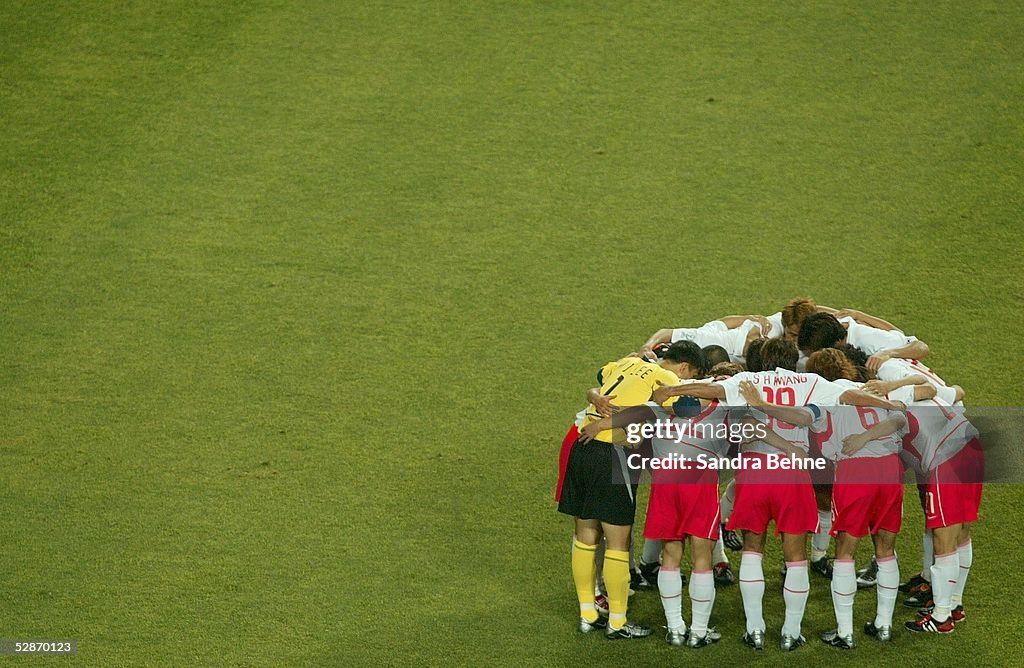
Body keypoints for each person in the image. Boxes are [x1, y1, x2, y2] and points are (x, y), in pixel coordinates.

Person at [652, 338, 905, 651]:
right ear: (793, 358)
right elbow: (849, 395)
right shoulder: (811, 382)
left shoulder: (747, 380)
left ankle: (755, 630)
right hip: (792, 473)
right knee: (795, 557)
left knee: (752, 549)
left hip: (755, 472)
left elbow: (712, 390)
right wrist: (889, 405)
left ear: (758, 358)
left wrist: (673, 390)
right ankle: (790, 632)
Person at [558, 341, 706, 639]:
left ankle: (587, 614)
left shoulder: (624, 363)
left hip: (581, 446)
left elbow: (601, 377)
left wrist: (595, 396)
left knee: (586, 536)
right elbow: (683, 409)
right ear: (684, 367)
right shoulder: (667, 378)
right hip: (614, 454)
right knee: (617, 543)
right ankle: (617, 622)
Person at [581, 394, 728, 649]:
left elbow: (633, 414)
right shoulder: (719, 408)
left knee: (670, 554)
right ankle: (698, 632)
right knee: (702, 557)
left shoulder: (657, 406)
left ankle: (674, 628)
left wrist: (599, 424)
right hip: (700, 480)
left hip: (666, 480)